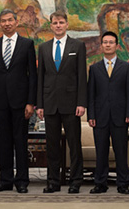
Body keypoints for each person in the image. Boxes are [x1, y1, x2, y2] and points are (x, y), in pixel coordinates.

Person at [0, 9, 37, 193]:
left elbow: (33, 76)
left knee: (20, 141)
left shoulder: (27, 44)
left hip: (21, 103)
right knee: (4, 142)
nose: (6, 23)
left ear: (16, 22)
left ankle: (22, 181)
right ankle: (5, 180)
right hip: (0, 103)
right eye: (3, 21)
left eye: (10, 20)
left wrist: (31, 102)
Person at [36, 11, 87, 194]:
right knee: (52, 146)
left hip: (72, 103)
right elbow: (40, 77)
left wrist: (82, 102)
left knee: (74, 144)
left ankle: (75, 181)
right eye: (55, 23)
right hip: (49, 104)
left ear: (67, 24)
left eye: (61, 22)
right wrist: (39, 104)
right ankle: (53, 182)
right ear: (51, 25)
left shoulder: (78, 46)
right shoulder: (43, 48)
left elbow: (82, 76)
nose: (58, 25)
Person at [87, 31, 129, 195]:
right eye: (105, 42)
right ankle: (100, 183)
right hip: (99, 117)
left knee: (120, 150)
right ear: (101, 46)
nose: (108, 45)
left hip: (120, 116)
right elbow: (91, 95)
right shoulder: (94, 69)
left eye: (111, 42)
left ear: (117, 46)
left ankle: (123, 183)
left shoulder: (126, 67)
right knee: (101, 151)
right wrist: (91, 115)